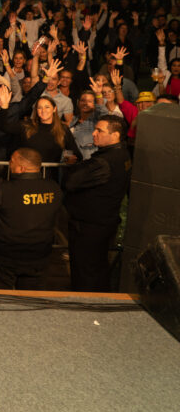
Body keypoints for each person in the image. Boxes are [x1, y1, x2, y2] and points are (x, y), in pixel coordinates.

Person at [63, 115, 131, 292]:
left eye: (100, 130)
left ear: (115, 135)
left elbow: (71, 182)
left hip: (90, 226)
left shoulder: (103, 162)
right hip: (102, 222)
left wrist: (73, 168)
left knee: (86, 271)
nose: (94, 133)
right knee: (96, 268)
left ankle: (85, 301)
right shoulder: (122, 154)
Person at [0, 148, 63, 289]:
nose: (9, 163)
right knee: (30, 298)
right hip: (39, 255)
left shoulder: (2, 190)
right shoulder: (54, 188)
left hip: (6, 257)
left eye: (12, 161)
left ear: (21, 168)